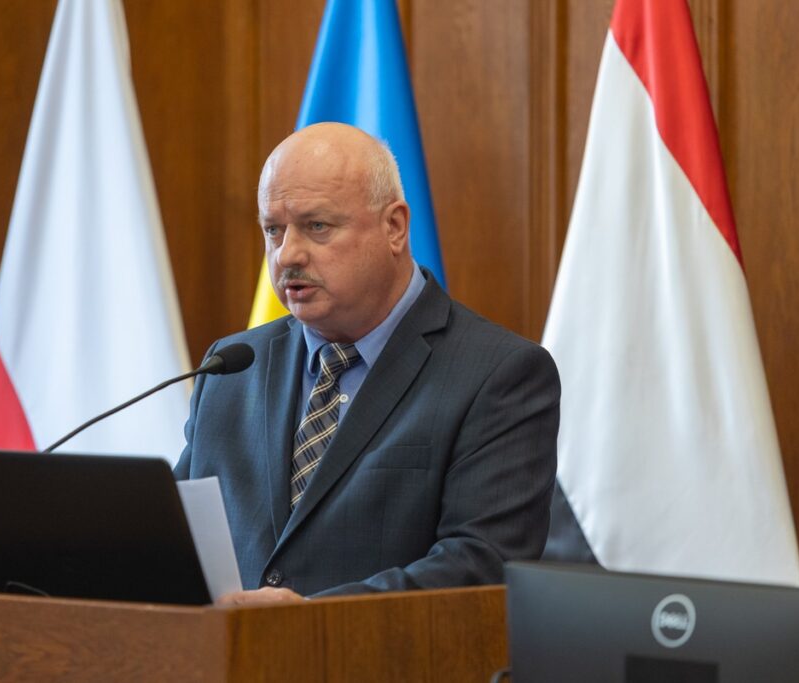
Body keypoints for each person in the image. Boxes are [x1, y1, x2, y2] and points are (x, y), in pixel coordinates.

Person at [173, 123, 560, 605]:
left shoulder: (499, 375)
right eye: (273, 230)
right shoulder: (231, 369)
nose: (287, 254)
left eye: (317, 226)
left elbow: (480, 567)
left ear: (394, 227)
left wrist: (311, 619)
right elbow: (179, 540)